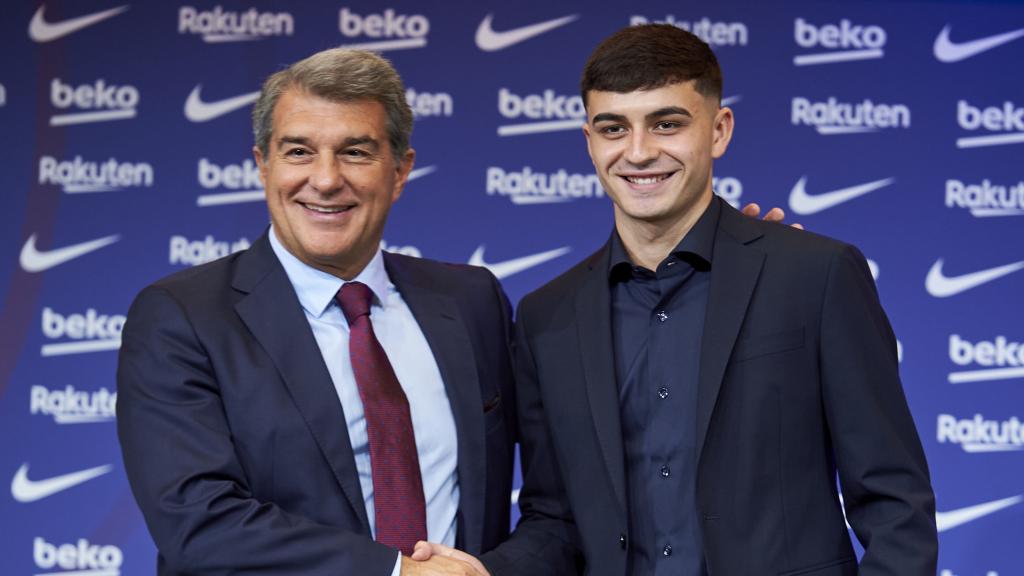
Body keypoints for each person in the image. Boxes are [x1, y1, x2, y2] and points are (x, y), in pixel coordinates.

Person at [428, 24, 938, 575]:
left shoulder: (816, 276)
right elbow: (557, 519)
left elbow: (894, 503)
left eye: (666, 124)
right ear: (589, 142)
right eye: (613, 128)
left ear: (718, 131)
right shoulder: (547, 316)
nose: (639, 152)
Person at [116, 48, 513, 576]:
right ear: (263, 165)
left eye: (355, 152)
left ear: (400, 171)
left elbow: (551, 500)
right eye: (299, 151)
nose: (325, 180)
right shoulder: (180, 317)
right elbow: (198, 521)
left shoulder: (472, 301)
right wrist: (396, 572)